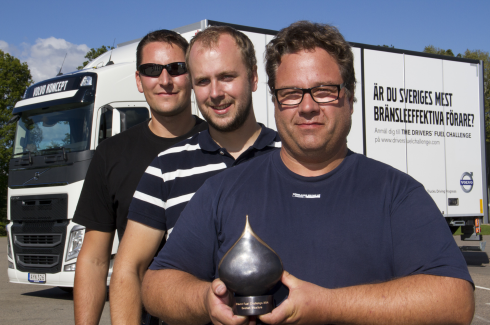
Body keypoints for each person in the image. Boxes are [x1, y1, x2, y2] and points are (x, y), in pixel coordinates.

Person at [141, 21, 475, 325]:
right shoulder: (222, 190)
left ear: (350, 96)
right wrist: (204, 301)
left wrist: (329, 305)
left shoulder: (396, 193)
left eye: (324, 90)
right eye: (291, 94)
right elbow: (157, 285)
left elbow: (455, 300)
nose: (308, 106)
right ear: (275, 101)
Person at [109, 26, 280, 324]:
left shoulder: (291, 157)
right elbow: (129, 269)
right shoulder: (164, 168)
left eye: (227, 77)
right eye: (203, 81)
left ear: (253, 77)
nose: (215, 93)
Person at [72, 29, 207, 325]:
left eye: (176, 68)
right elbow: (94, 260)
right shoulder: (111, 154)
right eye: (151, 70)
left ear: (192, 76)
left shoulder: (221, 145)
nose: (165, 80)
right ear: (138, 81)